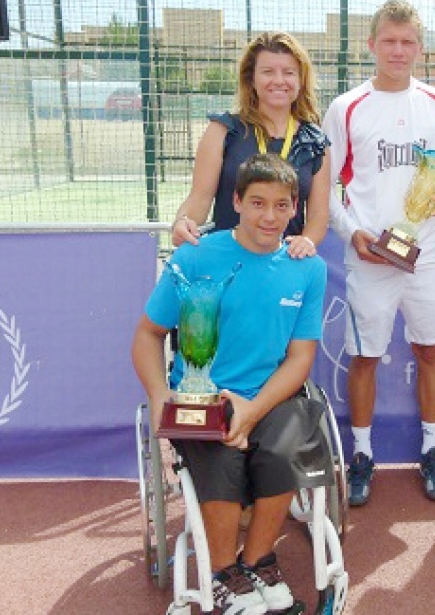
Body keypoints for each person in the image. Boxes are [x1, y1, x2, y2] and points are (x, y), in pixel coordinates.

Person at [132, 154, 329, 615]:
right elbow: (147, 334)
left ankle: (259, 561)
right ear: (236, 201)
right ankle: (223, 574)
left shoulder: (308, 269)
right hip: (200, 396)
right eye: (257, 202)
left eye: (282, 206)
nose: (269, 216)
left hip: (271, 396)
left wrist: (253, 410)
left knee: (283, 450)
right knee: (221, 452)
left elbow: (300, 359)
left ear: (295, 208)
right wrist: (163, 399)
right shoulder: (196, 254)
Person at [323, 0, 435, 506]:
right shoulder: (346, 107)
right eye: (389, 41)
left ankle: (431, 450)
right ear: (372, 45)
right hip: (372, 257)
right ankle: (362, 456)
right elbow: (327, 186)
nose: (398, 50)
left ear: (420, 48)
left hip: (427, 255)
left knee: (430, 351)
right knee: (364, 357)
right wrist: (352, 235)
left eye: (408, 42)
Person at [172, 32, 330, 258]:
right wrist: (183, 222)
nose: (278, 80)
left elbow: (318, 214)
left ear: (301, 80)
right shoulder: (224, 131)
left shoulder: (315, 142)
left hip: (284, 264)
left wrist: (306, 241)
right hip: (227, 262)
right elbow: (199, 198)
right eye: (267, 72)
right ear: (251, 79)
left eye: (288, 72)